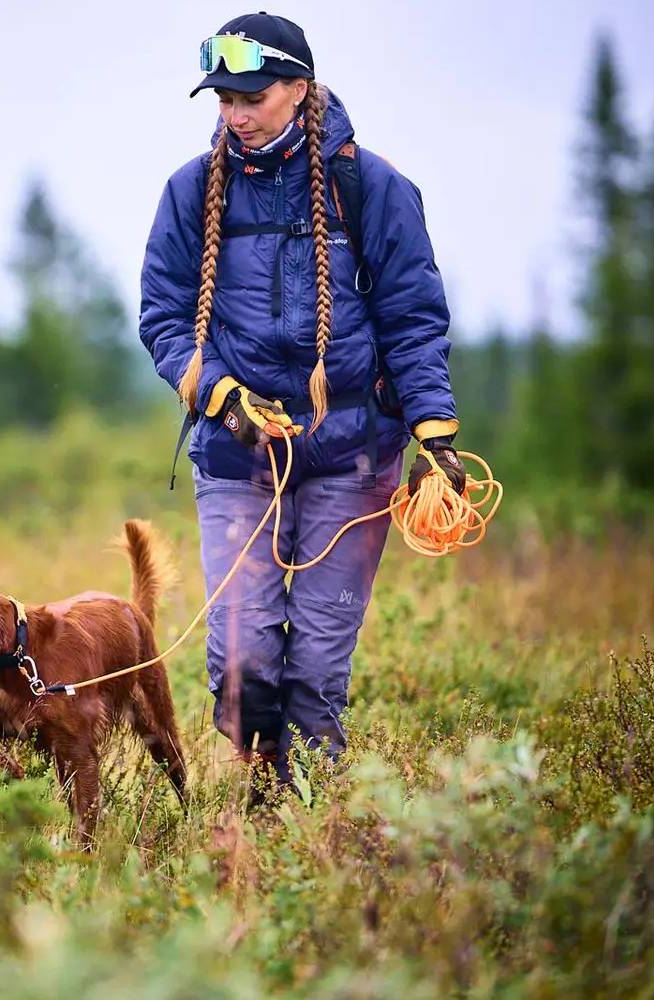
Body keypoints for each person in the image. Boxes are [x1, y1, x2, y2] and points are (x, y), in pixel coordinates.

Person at [139, 12, 465, 785]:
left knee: (318, 665)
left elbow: (414, 320)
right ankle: (259, 792)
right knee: (242, 656)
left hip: (354, 456)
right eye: (222, 99)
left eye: (250, 96)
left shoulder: (374, 188)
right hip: (234, 455)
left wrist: (436, 433)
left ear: (299, 88)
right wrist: (223, 399)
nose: (234, 115)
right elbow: (163, 319)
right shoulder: (191, 193)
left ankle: (308, 826)